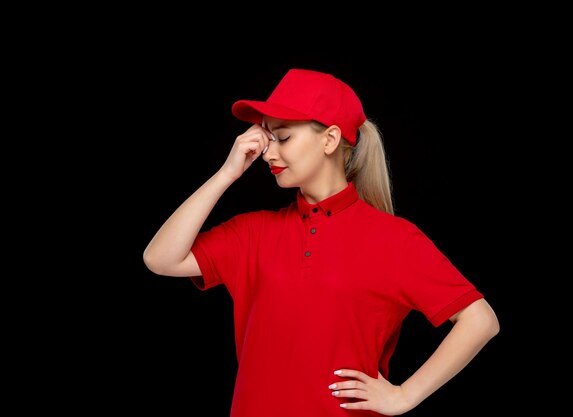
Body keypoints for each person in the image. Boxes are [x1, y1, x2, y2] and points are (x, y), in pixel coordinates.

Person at [143, 68, 500, 416]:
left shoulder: (395, 240)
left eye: (282, 138)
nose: (268, 153)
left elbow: (480, 320)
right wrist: (226, 174)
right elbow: (161, 259)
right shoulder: (252, 233)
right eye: (267, 139)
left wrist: (405, 396)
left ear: (329, 140)